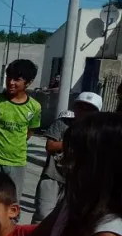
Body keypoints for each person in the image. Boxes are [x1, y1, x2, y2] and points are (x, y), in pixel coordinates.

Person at [0, 59, 42, 202]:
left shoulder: (34, 107)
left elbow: (30, 130)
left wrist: (16, 142)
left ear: (29, 82)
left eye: (17, 79)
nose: (11, 82)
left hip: (17, 161)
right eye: (9, 77)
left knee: (11, 201)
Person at [32, 92, 101, 223]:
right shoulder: (62, 123)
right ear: (74, 107)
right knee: (42, 214)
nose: (83, 111)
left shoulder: (97, 131)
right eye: (80, 106)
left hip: (77, 181)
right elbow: (50, 146)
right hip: (52, 176)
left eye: (89, 109)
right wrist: (76, 142)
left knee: (66, 220)